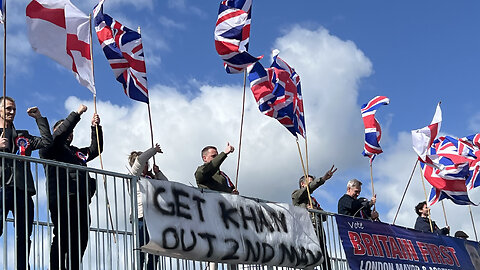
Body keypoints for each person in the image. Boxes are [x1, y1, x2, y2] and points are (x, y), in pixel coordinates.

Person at [40, 104, 103, 270]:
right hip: (62, 196)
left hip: (81, 199)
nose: (70, 133)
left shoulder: (76, 153)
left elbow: (95, 149)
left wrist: (95, 127)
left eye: (71, 132)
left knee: (81, 238)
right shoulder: (50, 149)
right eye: (66, 130)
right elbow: (59, 136)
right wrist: (76, 114)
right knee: (63, 235)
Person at [0, 96, 52, 270]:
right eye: (8, 108)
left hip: (23, 190)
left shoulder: (23, 136)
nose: (12, 112)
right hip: (1, 189)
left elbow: (47, 142)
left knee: (23, 235)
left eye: (13, 109)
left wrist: (39, 118)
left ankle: (22, 267)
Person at [128, 143, 168, 270]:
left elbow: (167, 186)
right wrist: (154, 150)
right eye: (145, 163)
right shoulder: (134, 176)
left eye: (147, 163)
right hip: (141, 215)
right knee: (140, 248)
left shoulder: (152, 178)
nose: (146, 164)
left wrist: (159, 173)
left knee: (155, 251)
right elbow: (140, 160)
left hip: (154, 217)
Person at [291, 165, 337, 270]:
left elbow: (324, 216)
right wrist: (322, 179)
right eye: (310, 182)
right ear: (302, 184)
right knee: (309, 258)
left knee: (325, 257)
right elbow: (307, 190)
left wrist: (315, 209)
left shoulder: (313, 200)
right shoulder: (296, 196)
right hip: (306, 234)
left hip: (318, 233)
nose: (312, 185)